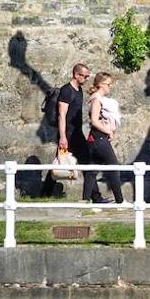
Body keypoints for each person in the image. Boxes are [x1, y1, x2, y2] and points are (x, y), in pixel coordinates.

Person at [56, 62, 102, 203]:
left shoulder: (79, 90)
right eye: (85, 76)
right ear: (77, 74)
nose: (87, 79)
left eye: (88, 76)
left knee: (85, 164)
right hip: (68, 135)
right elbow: (61, 114)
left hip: (77, 134)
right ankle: (95, 197)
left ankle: (95, 196)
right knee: (62, 163)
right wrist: (63, 137)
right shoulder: (66, 91)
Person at [87, 71, 125, 204]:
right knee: (114, 168)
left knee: (91, 171)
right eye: (108, 84)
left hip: (96, 138)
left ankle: (86, 200)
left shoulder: (98, 98)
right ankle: (120, 201)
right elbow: (94, 121)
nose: (110, 86)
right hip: (99, 138)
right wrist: (108, 131)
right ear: (101, 84)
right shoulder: (96, 99)